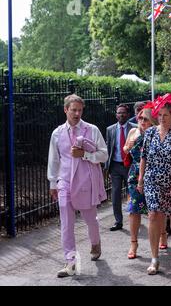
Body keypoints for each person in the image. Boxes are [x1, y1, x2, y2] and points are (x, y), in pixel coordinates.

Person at [47, 94, 107, 277]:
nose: (77, 113)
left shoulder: (92, 129)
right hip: (64, 181)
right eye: (73, 110)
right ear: (66, 110)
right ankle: (71, 262)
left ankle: (95, 242)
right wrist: (53, 182)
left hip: (86, 182)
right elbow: (54, 160)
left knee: (91, 220)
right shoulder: (57, 133)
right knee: (66, 222)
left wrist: (85, 155)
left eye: (80, 110)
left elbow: (103, 155)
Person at [137, 94, 171, 275]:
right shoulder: (150, 133)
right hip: (153, 180)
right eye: (158, 115)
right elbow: (143, 157)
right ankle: (154, 258)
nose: (161, 118)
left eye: (165, 115)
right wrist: (141, 178)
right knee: (153, 214)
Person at [123, 107, 158, 259]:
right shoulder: (133, 132)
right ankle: (133, 242)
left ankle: (162, 234)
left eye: (145, 119)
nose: (142, 121)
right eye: (140, 118)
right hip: (135, 174)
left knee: (155, 211)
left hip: (153, 174)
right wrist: (128, 147)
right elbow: (125, 150)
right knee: (134, 209)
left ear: (152, 121)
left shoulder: (156, 133)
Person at [105, 104, 137, 231]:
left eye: (123, 113)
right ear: (116, 114)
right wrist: (107, 167)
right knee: (116, 194)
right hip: (116, 166)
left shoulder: (134, 129)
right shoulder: (110, 129)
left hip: (130, 166)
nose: (121, 115)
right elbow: (108, 148)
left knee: (131, 193)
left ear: (128, 115)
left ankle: (133, 218)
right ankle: (118, 221)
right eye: (119, 113)